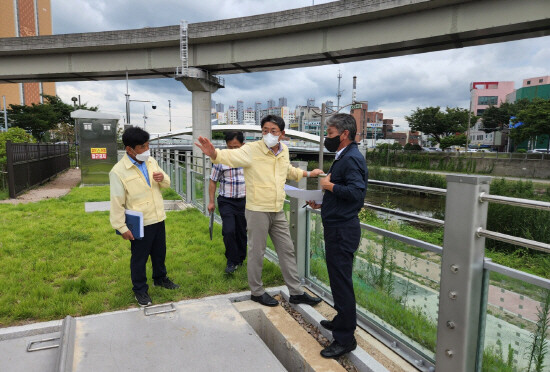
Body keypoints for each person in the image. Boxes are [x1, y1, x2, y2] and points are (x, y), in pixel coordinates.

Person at [195, 115, 323, 307]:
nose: (268, 134)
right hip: (257, 209)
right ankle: (256, 291)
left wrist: (307, 173)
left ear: (282, 134)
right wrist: (214, 154)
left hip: (277, 209)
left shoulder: (284, 150)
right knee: (257, 251)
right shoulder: (252, 150)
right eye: (265, 130)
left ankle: (296, 292)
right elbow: (231, 156)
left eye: (273, 131)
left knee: (287, 250)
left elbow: (287, 170)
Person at [306, 113, 368, 359]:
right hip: (338, 225)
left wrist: (329, 187)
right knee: (337, 279)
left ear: (344, 134)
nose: (327, 138)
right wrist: (324, 202)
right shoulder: (344, 156)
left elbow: (356, 193)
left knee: (341, 283)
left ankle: (345, 339)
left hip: (343, 230)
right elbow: (344, 192)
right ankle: (341, 320)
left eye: (330, 134)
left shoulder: (351, 158)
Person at [110, 126, 179, 307]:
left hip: (158, 216)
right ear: (129, 149)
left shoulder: (151, 161)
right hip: (140, 222)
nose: (146, 150)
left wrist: (161, 178)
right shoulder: (118, 171)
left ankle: (160, 278)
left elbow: (166, 183)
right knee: (139, 258)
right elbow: (117, 202)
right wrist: (121, 227)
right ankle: (140, 290)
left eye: (148, 146)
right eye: (142, 147)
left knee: (159, 252)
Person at [208, 131, 247, 274]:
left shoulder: (249, 159)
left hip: (245, 201)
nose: (232, 150)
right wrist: (211, 202)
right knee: (229, 231)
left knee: (242, 231)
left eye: (236, 147)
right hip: (226, 201)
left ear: (243, 145)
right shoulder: (221, 160)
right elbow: (212, 181)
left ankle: (241, 259)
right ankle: (231, 261)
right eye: (230, 147)